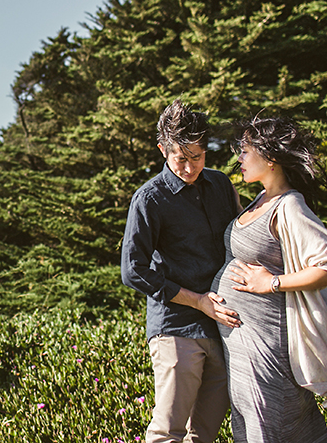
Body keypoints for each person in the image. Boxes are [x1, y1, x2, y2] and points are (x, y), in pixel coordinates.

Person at [212, 115, 327, 442]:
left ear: (271, 158)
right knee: (250, 427)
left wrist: (272, 283)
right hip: (242, 344)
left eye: (245, 150)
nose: (239, 157)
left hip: (266, 346)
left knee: (269, 428)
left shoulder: (289, 205)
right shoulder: (260, 199)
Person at [121, 100, 242, 443]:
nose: (190, 167)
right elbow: (133, 271)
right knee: (167, 433)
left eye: (198, 157)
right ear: (163, 149)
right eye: (180, 158)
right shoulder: (149, 199)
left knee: (204, 434)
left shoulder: (221, 185)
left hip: (222, 326)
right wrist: (198, 301)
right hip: (175, 327)